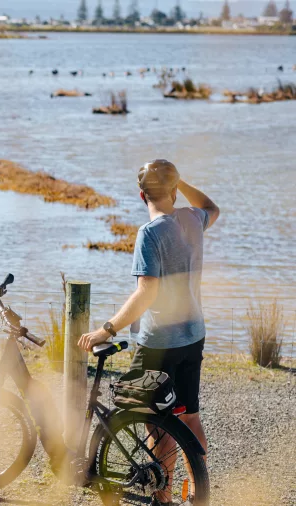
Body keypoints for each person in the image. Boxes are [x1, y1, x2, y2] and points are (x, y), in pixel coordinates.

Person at [78, 160, 220, 506]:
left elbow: (147, 292)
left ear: (141, 195)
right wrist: (181, 182)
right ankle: (200, 496)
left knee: (154, 422)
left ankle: (164, 496)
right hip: (193, 334)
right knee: (188, 416)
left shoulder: (150, 233)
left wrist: (106, 329)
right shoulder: (191, 219)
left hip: (159, 342)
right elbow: (211, 207)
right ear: (173, 190)